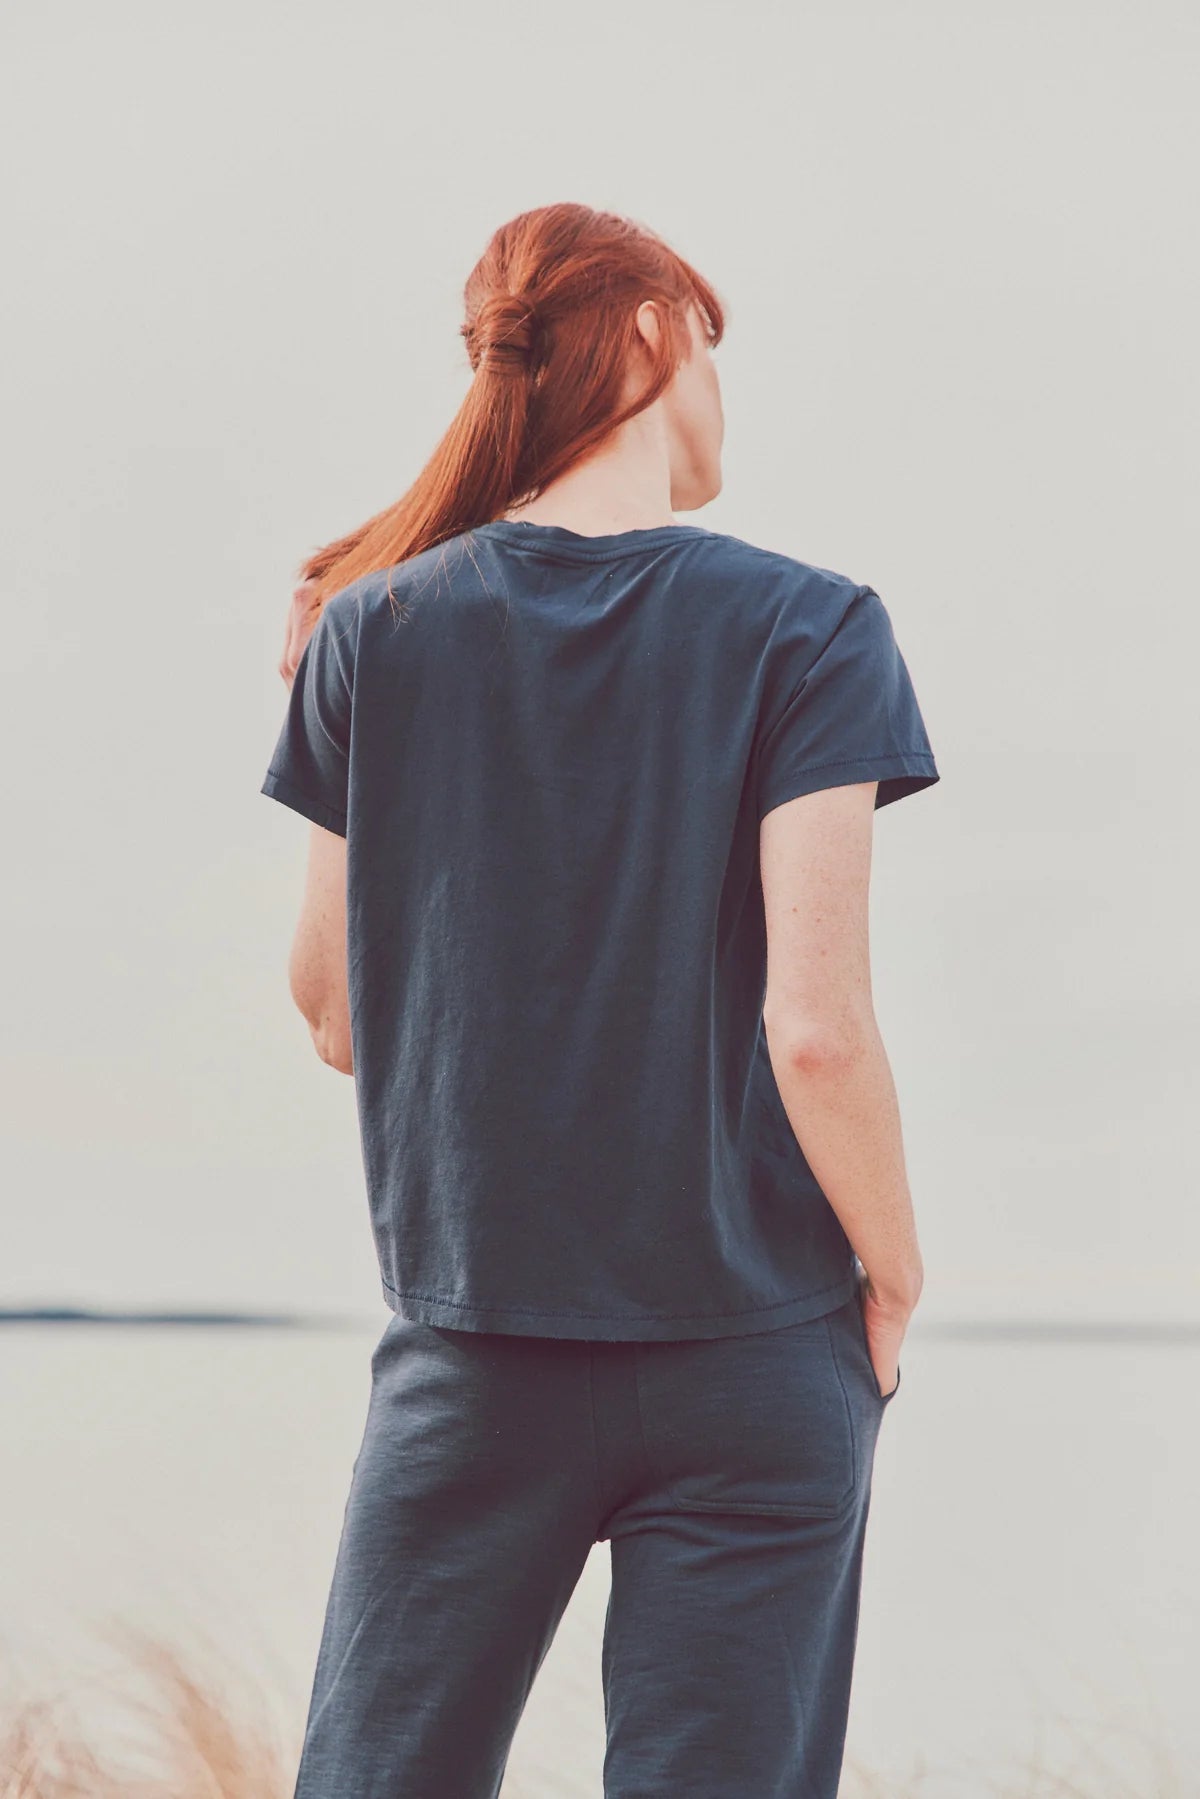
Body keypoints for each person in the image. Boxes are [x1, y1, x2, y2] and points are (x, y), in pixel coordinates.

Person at [261, 200, 940, 1799]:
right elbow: (819, 1027)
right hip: (754, 1349)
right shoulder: (813, 625)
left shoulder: (370, 630)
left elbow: (336, 1017)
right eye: (716, 341)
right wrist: (893, 1273)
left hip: (474, 1352)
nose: (724, 392)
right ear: (651, 332)